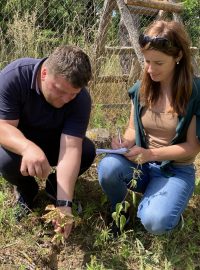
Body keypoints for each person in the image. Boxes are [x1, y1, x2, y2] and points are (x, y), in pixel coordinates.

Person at [98, 20, 200, 235]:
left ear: (178, 57)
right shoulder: (142, 88)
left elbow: (192, 147)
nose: (150, 69)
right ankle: (120, 209)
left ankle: (163, 209)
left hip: (175, 171)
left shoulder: (195, 92)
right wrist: (124, 143)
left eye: (159, 63)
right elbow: (133, 129)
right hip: (141, 165)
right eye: (146, 61)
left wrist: (150, 154)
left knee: (155, 222)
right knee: (108, 167)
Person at [0, 45, 96, 239]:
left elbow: (70, 149)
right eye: (61, 91)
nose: (67, 99)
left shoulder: (81, 99)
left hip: (56, 145)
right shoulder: (15, 76)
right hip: (22, 145)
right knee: (3, 159)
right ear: (44, 73)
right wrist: (27, 147)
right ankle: (28, 190)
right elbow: (3, 126)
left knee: (86, 151)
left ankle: (55, 188)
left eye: (73, 94)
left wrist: (64, 204)